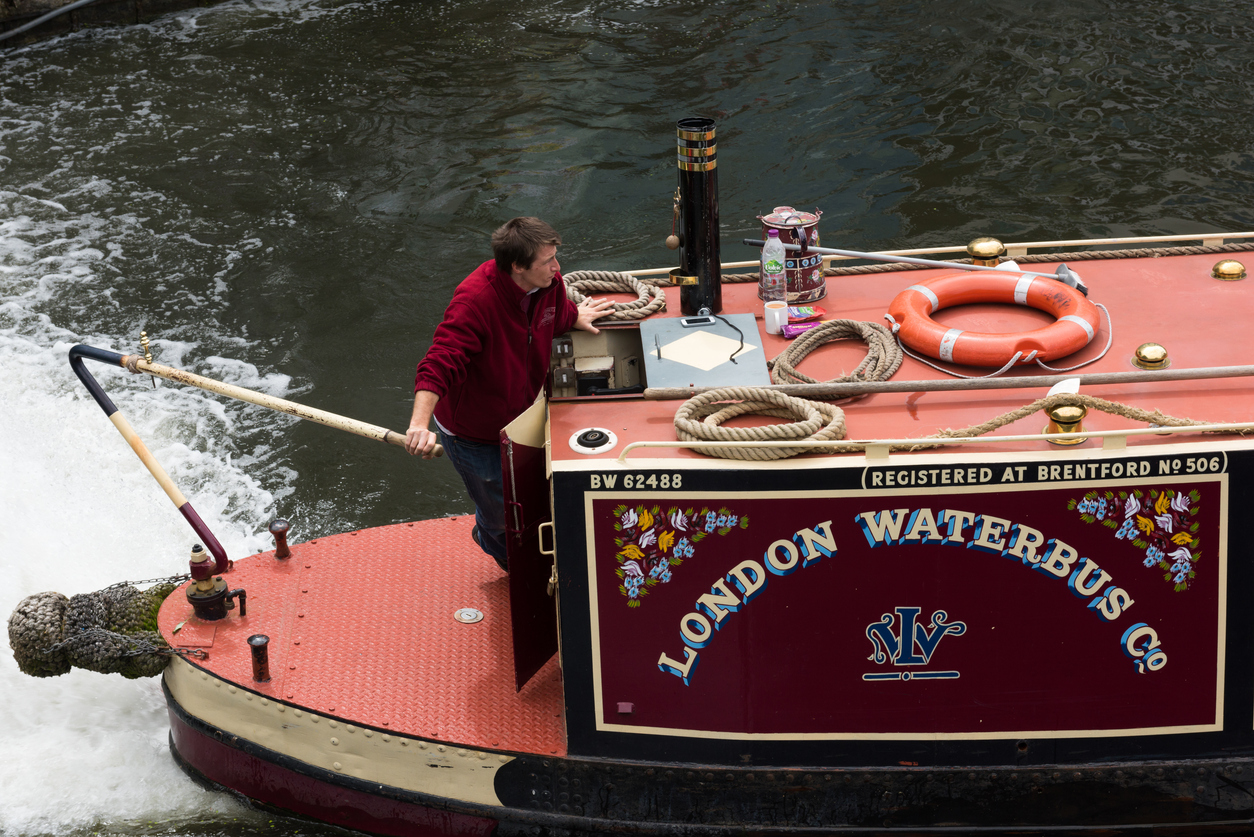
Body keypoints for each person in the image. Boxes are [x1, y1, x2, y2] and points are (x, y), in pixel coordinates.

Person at [406, 218, 613, 571]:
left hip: (520, 419)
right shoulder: (475, 303)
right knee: (501, 514)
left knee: (530, 500)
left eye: (555, 257)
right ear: (517, 266)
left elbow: (551, 316)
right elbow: (439, 362)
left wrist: (573, 315)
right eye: (547, 261)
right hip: (473, 434)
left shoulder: (550, 285)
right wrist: (418, 425)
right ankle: (506, 559)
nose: (557, 267)